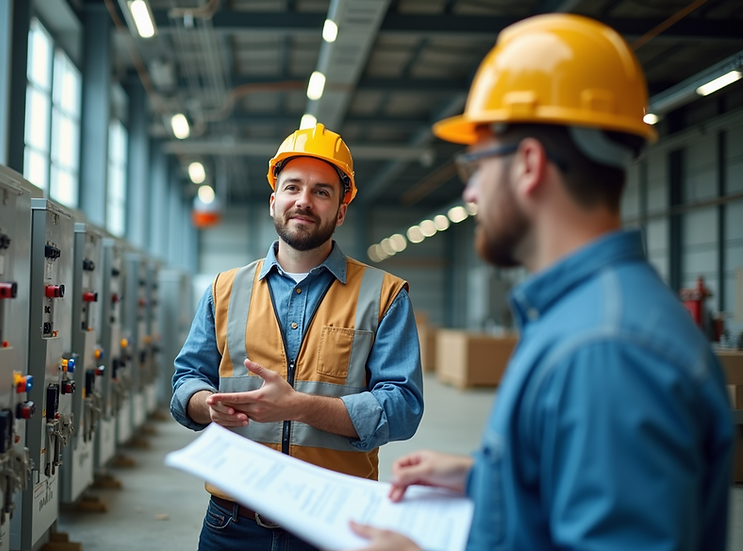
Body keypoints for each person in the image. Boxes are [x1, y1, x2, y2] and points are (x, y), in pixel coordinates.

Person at [348, 13, 735, 551]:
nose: (470, 194)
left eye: (476, 166)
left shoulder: (604, 350)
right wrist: (489, 481)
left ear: (528, 164)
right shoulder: (584, 318)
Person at [171, 123, 425, 551]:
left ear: (340, 211)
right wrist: (208, 406)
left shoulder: (383, 295)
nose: (304, 201)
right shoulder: (224, 289)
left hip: (336, 523)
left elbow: (402, 408)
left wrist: (302, 408)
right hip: (232, 524)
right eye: (292, 187)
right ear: (274, 202)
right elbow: (186, 382)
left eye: (322, 191)